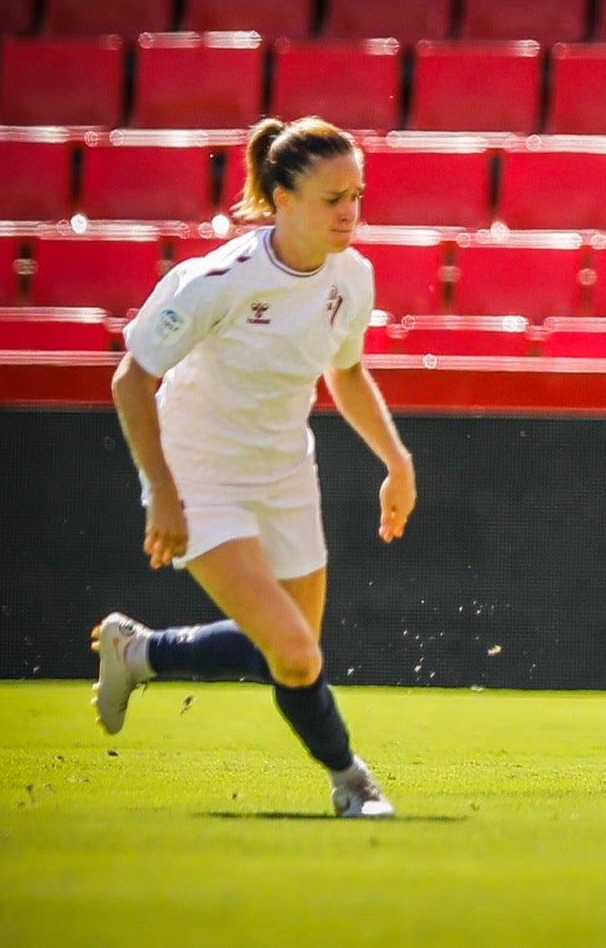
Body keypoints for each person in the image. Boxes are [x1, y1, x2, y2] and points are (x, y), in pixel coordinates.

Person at [94, 116, 417, 818]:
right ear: (282, 198)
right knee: (297, 656)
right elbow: (131, 379)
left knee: (291, 651)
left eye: (357, 194)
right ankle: (352, 779)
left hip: (286, 473)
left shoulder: (352, 275)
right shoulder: (217, 279)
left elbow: (348, 371)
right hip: (202, 476)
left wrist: (396, 459)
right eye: (334, 198)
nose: (350, 211)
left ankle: (139, 654)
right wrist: (162, 492)